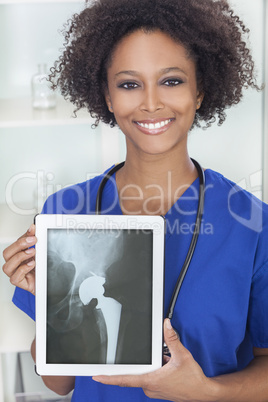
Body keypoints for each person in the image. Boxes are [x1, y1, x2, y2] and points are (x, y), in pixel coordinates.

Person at [2, 0, 268, 400]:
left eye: (172, 81)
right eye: (129, 84)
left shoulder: (252, 223)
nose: (150, 102)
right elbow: (59, 383)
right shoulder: (63, 211)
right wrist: (53, 308)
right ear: (107, 96)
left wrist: (205, 391)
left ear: (200, 92)